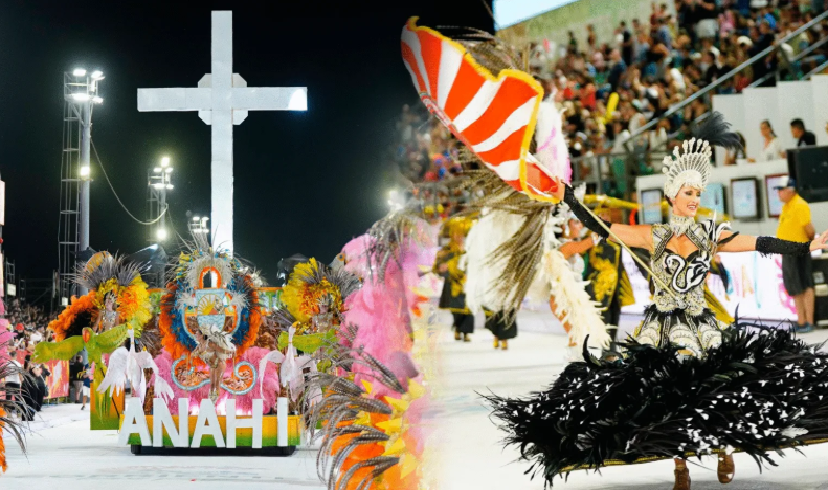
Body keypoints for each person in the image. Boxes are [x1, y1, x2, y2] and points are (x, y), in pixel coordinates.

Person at [487, 113, 828, 490]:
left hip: (701, 323)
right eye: (688, 193)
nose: (694, 200)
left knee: (716, 384)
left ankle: (723, 448)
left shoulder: (712, 233)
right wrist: (568, 196)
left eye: (698, 194)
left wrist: (806, 246)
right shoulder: (653, 235)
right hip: (662, 324)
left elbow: (761, 243)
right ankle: (680, 464)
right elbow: (601, 228)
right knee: (668, 394)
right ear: (671, 195)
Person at [775, 177, 816, 333]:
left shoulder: (799, 205)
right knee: (794, 287)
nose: (778, 193)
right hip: (789, 251)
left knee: (805, 285)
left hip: (799, 250)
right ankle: (801, 321)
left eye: (781, 189)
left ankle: (808, 321)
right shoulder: (787, 207)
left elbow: (810, 230)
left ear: (790, 190)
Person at [433, 216, 475, 342]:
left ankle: (466, 333)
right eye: (456, 234)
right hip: (452, 285)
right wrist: (442, 269)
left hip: (468, 284)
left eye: (461, 234)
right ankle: (457, 328)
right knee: (457, 310)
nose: (459, 237)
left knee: (469, 310)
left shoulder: (471, 250)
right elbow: (437, 268)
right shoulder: (446, 251)